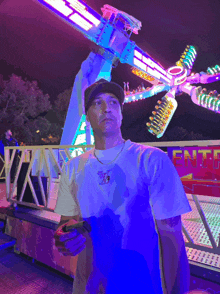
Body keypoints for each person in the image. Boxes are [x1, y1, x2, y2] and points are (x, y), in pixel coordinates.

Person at [54, 79, 192, 294]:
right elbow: (66, 223)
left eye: (114, 102)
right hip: (88, 287)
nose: (107, 108)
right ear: (87, 116)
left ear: (121, 113)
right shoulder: (72, 168)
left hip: (141, 287)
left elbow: (172, 237)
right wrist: (64, 237)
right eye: (97, 103)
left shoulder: (152, 159)